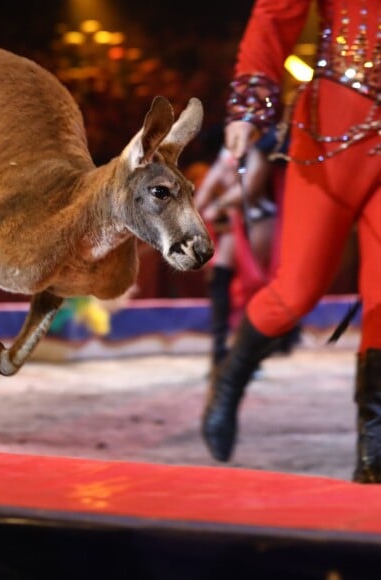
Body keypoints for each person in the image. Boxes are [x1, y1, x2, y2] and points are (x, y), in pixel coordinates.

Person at [201, 0, 381, 483]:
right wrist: (248, 108)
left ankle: (374, 458)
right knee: (296, 292)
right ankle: (230, 379)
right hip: (333, 133)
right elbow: (274, 16)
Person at [194, 126, 289, 371]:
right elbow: (210, 184)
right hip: (235, 224)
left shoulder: (260, 148)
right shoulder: (228, 153)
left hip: (259, 221)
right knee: (219, 278)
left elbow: (250, 187)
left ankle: (250, 354)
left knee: (253, 286)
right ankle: (219, 351)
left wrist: (217, 204)